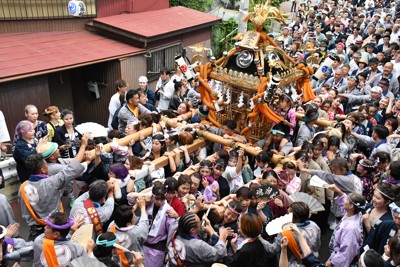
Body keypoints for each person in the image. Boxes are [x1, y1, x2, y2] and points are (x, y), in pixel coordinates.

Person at [19, 134, 88, 240]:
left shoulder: (22, 187)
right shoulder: (51, 182)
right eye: (45, 164)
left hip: (35, 230)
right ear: (42, 169)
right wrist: (83, 146)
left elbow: (25, 214)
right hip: (55, 227)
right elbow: (72, 170)